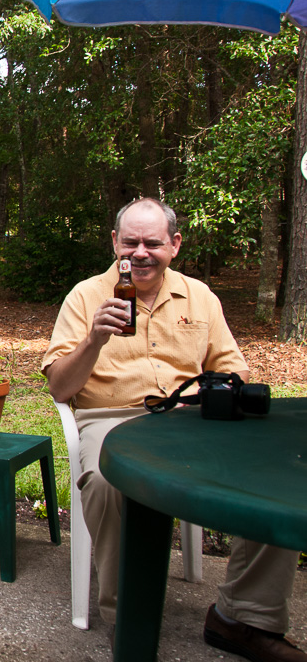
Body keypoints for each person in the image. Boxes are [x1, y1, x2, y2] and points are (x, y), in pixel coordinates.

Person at [43, 198, 304, 662]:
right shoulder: (85, 297)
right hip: (112, 419)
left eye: (152, 243)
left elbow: (232, 370)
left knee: (273, 482)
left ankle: (243, 618)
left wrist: (211, 391)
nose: (140, 253)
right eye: (130, 242)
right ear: (115, 243)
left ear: (174, 245)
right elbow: (61, 389)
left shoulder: (200, 296)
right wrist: (93, 339)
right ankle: (128, 617)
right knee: (106, 483)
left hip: (191, 423)